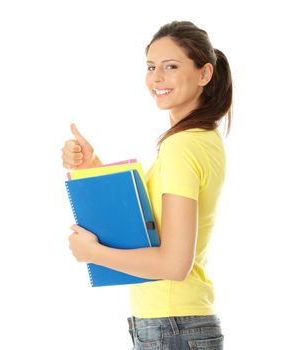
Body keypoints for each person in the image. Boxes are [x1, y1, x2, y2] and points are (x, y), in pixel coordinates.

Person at [61, 20, 232, 350]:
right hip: (175, 324)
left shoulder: (182, 146)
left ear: (204, 74)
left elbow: (173, 264)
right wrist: (91, 165)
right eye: (151, 66)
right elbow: (145, 225)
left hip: (172, 325)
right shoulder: (200, 140)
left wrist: (94, 253)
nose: (156, 78)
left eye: (171, 66)